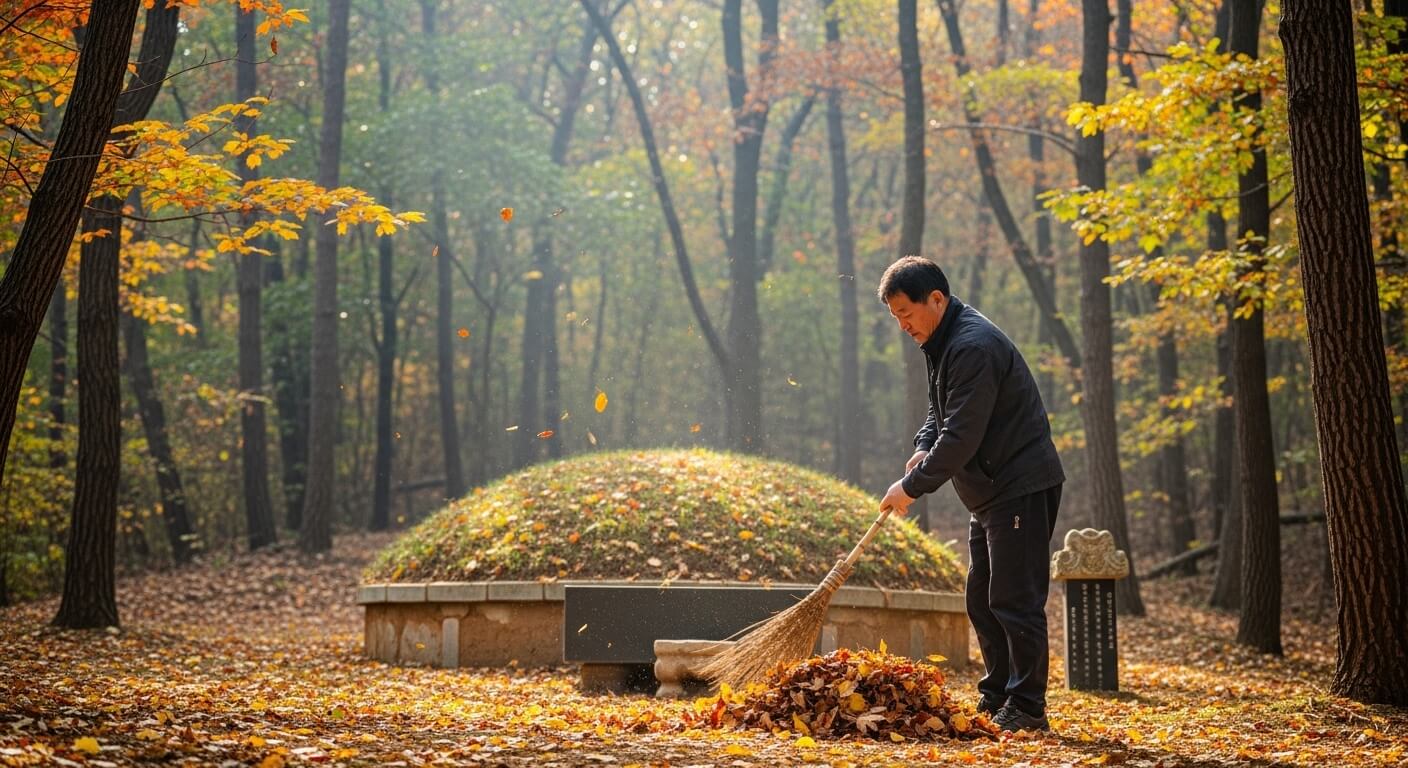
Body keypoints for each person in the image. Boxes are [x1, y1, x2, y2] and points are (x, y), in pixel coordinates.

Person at [874, 256, 1064, 733]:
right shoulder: (941, 342)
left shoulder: (973, 346)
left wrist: (910, 488)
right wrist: (921, 449)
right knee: (982, 598)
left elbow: (961, 435)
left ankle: (1027, 707)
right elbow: (939, 415)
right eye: (895, 316)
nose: (903, 325)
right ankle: (998, 693)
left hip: (1017, 486)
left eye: (906, 312)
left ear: (936, 299)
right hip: (989, 494)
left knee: (1014, 598)